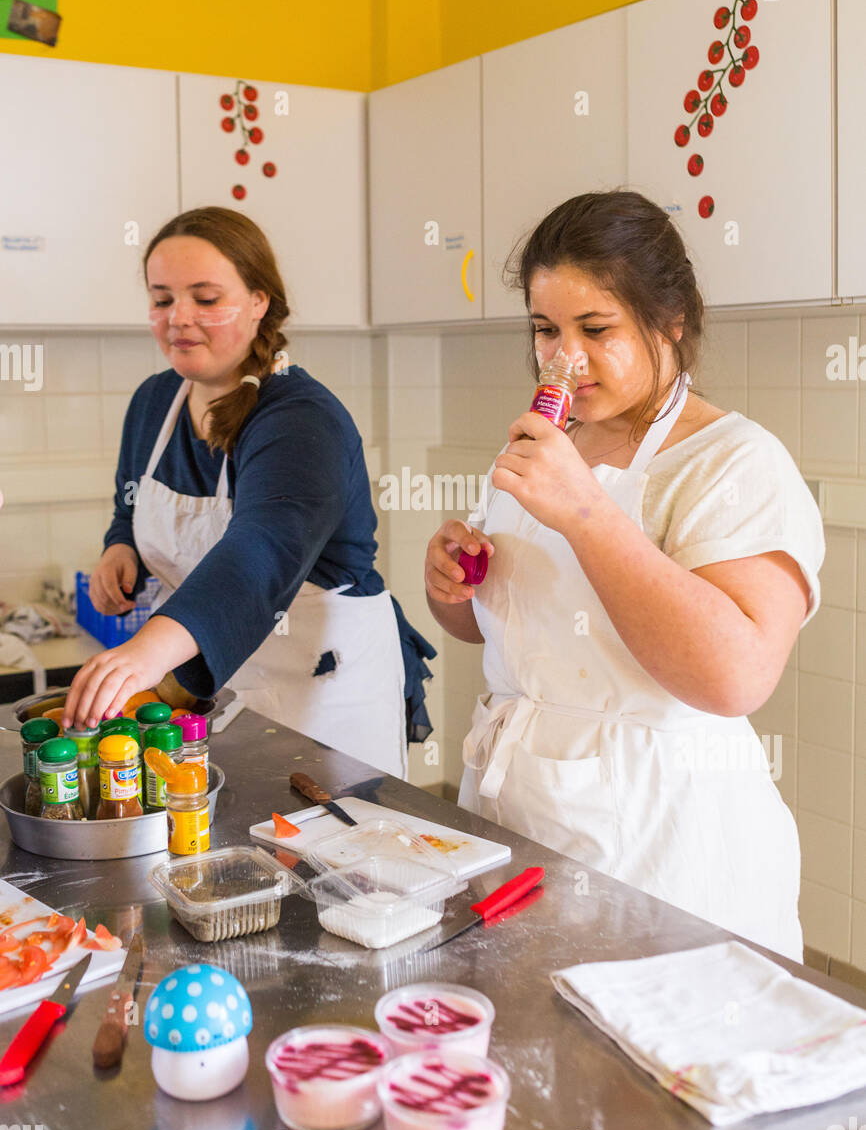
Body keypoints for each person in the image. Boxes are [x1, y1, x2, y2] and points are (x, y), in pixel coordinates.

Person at [424, 190, 824, 961]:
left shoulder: (735, 462)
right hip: (520, 824)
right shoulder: (551, 440)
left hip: (665, 851)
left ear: (669, 320)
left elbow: (734, 676)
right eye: (546, 330)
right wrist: (455, 586)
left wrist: (585, 514)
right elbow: (501, 630)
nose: (563, 358)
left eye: (595, 329)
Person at [62, 206, 434, 779]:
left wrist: (146, 654)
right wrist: (121, 547)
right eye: (162, 299)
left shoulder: (301, 418)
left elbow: (257, 555)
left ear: (260, 301)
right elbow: (130, 502)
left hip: (322, 687)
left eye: (206, 298)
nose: (179, 318)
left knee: (329, 857)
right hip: (214, 678)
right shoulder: (154, 402)